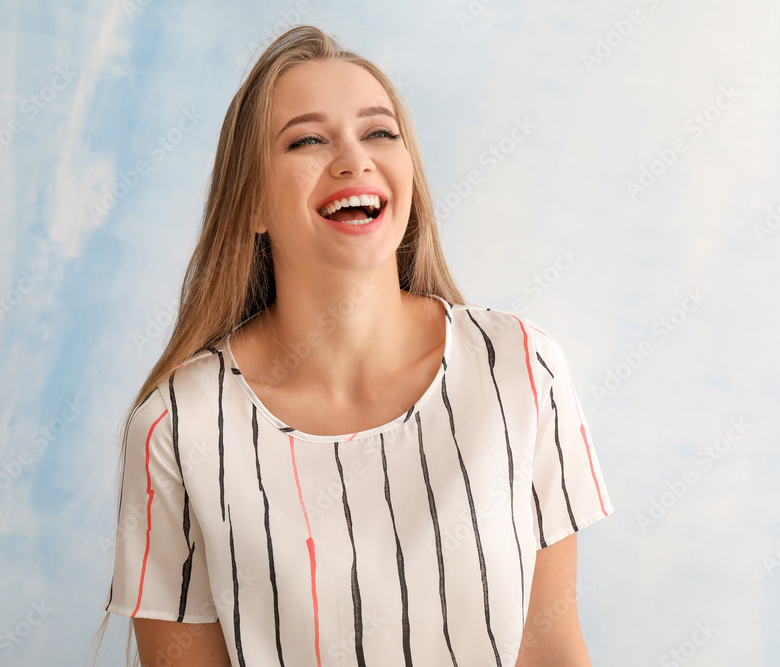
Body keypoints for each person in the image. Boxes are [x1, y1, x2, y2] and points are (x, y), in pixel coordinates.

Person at [96, 24, 613, 667]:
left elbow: (552, 647)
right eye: (308, 140)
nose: (353, 160)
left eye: (379, 132)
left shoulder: (523, 370)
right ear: (252, 200)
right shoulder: (175, 427)